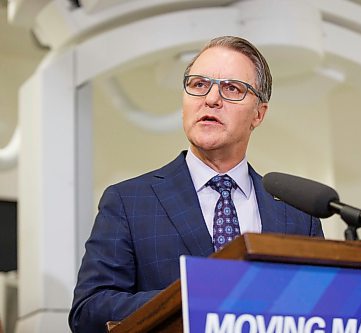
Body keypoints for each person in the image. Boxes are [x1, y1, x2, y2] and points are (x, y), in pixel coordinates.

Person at [69, 36, 323, 332]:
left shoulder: (297, 216)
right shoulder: (128, 201)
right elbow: (89, 311)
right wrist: (195, 297)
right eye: (199, 84)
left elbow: (321, 309)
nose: (211, 99)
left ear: (258, 114)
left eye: (232, 89)